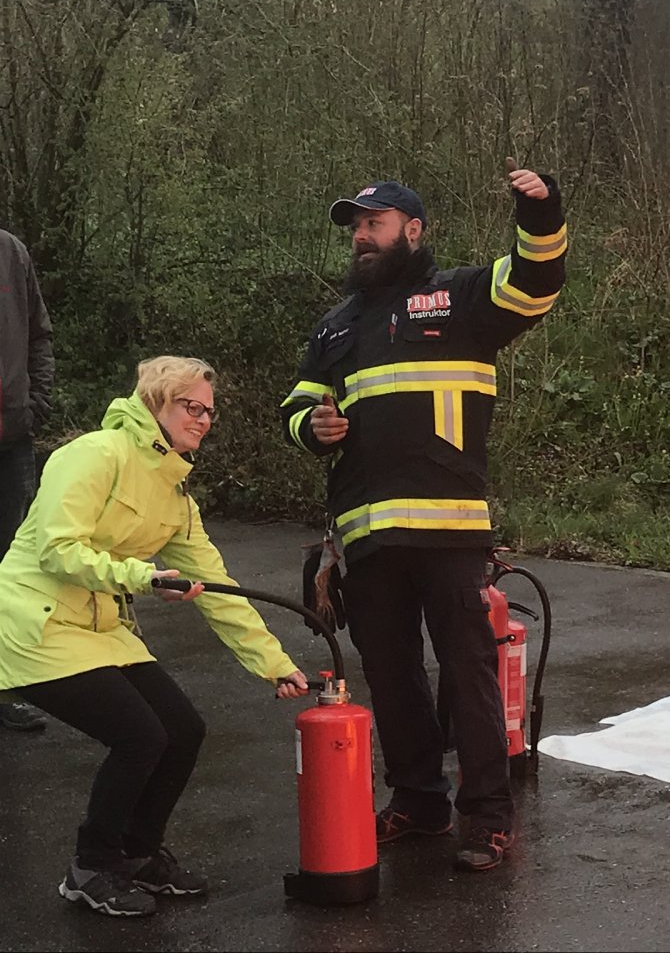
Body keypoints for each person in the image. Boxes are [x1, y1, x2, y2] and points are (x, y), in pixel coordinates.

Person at [280, 160, 567, 872]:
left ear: (412, 230)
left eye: (373, 223)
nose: (361, 236)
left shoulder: (459, 297)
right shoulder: (337, 327)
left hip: (450, 531)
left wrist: (540, 213)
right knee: (392, 675)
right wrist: (311, 426)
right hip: (368, 536)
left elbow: (535, 282)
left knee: (468, 672)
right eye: (355, 227)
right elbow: (297, 405)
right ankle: (419, 802)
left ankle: (488, 817)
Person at [0, 355, 311, 917]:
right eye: (192, 407)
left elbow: (218, 588)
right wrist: (145, 576)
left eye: (209, 412)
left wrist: (276, 663)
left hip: (100, 626)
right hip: (34, 622)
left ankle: (137, 854)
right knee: (140, 736)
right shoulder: (94, 454)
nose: (204, 420)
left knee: (184, 729)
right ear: (156, 402)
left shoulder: (175, 493)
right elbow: (57, 549)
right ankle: (91, 866)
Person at [0, 228, 54, 732]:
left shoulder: (11, 252)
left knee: (11, 568)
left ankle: (4, 689)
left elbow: (39, 335)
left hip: (11, 439)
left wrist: (35, 405)